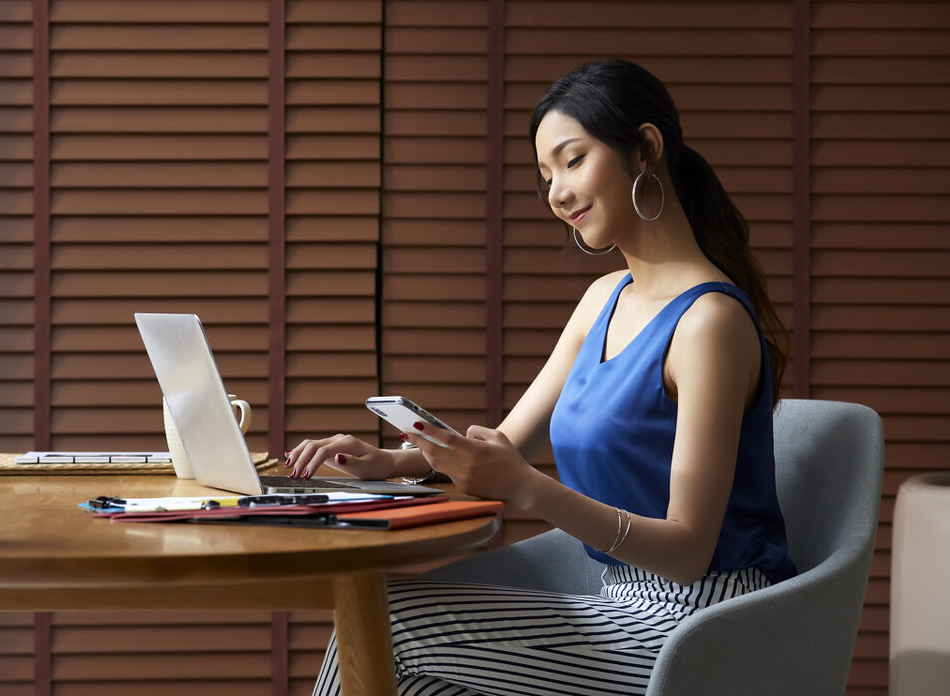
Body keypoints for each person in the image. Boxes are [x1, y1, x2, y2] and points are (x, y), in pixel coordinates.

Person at [285, 58, 797, 696]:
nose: (556, 192)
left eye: (573, 160)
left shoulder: (708, 323)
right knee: (396, 650)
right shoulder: (603, 298)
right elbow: (509, 443)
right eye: (546, 174)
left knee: (386, 627)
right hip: (616, 598)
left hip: (698, 620)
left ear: (645, 149)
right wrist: (390, 463)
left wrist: (527, 490)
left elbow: (690, 550)